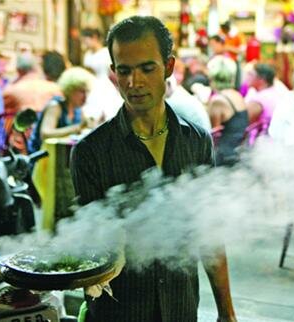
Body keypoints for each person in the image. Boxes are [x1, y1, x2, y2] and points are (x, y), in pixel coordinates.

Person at [70, 16, 237, 322]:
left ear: (169, 67)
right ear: (113, 74)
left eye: (147, 68)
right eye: (125, 71)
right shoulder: (90, 152)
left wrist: (226, 312)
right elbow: (91, 247)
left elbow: (209, 233)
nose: (135, 83)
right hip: (120, 312)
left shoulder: (196, 141)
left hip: (180, 307)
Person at [28, 67, 96, 153]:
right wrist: (77, 128)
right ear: (70, 89)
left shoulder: (78, 110)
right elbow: (45, 134)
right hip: (42, 158)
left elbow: (84, 128)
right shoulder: (55, 106)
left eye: (87, 92)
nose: (85, 97)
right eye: (82, 91)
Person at [207, 55, 248, 166]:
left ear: (212, 77)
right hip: (239, 150)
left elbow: (213, 134)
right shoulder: (237, 95)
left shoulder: (218, 101)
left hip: (225, 156)